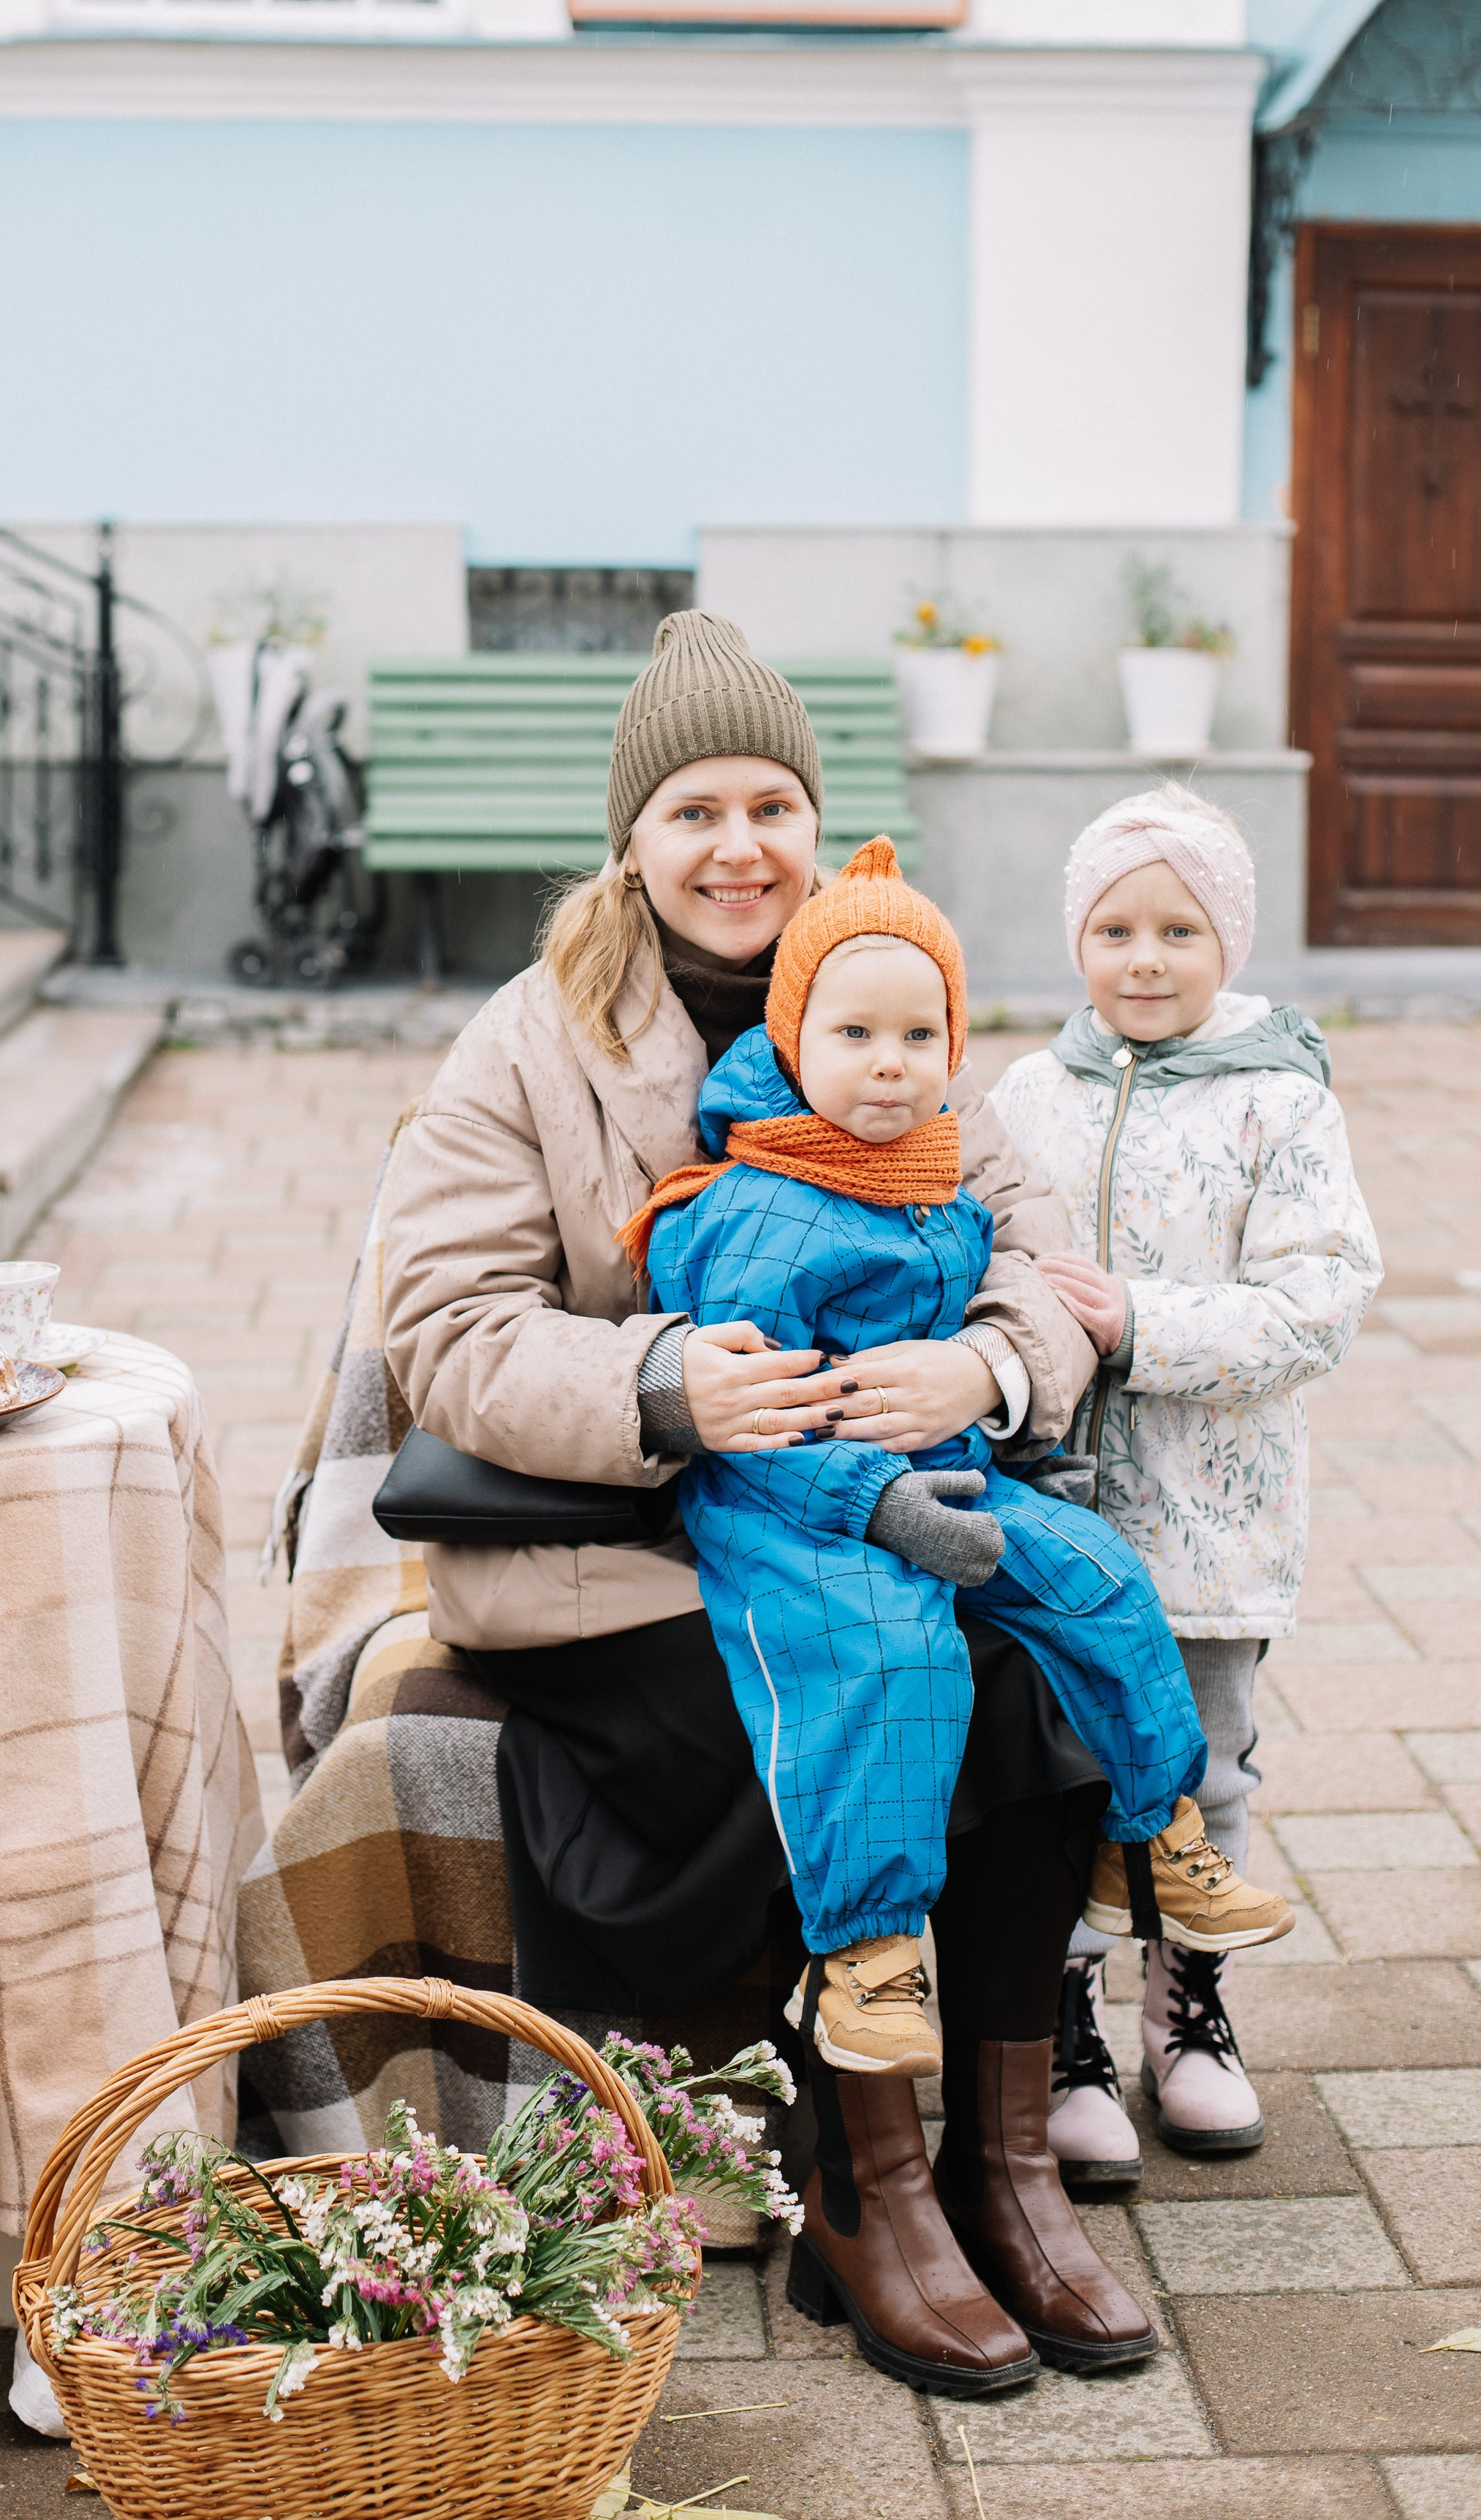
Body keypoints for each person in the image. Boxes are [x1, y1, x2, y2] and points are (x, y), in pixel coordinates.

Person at [383, 611, 1161, 2394]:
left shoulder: (894, 983)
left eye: (774, 803)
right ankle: (863, 2183)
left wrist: (985, 1365)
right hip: (625, 1552)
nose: (738, 846)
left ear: (818, 822)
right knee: (859, 1700)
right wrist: (662, 1379)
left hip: (875, 1504)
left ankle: (1003, 2160)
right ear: (630, 839)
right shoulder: (533, 1041)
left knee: (1031, 1682)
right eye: (692, 810)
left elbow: (1044, 1248)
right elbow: (441, 1324)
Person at [624, 836, 1292, 2101]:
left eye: (919, 1038)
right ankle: (866, 1952)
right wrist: (870, 1499)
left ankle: (1149, 1839)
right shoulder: (753, 1210)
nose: (889, 1065)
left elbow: (1018, 1290)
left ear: (954, 1051)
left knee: (1095, 1573)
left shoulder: (936, 1176)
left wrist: (978, 1387)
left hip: (946, 1467)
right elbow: (759, 1420)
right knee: (895, 1657)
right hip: (795, 1504)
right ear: (792, 1038)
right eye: (856, 1036)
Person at [991, 783, 1382, 2178]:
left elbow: (1322, 1300)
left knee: (1200, 1769)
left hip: (1211, 1515)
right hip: (1050, 1508)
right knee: (1058, 1759)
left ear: (1231, 943)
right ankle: (1062, 2018)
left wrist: (1138, 1325)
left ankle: (1190, 2011)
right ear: (1077, 939)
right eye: (1114, 928)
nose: (1143, 959)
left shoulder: (1281, 1101)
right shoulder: (1026, 1094)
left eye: (1178, 930)